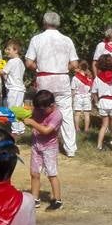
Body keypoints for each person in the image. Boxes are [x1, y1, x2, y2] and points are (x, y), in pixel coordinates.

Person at [24, 11, 79, 157]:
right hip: (62, 79)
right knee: (66, 113)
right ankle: (70, 148)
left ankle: (41, 142)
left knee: (42, 111)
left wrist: (39, 68)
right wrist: (62, 69)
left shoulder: (37, 39)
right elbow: (74, 63)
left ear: (44, 22)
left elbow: (28, 62)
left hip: (44, 79)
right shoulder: (67, 40)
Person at [27, 90, 63, 210]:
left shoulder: (57, 115)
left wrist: (32, 123)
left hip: (50, 148)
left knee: (51, 174)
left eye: (43, 110)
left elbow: (46, 130)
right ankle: (35, 199)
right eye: (38, 109)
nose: (40, 112)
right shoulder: (38, 109)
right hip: (36, 145)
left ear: (52, 105)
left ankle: (57, 200)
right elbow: (32, 118)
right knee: (34, 173)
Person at [2, 40, 27, 135]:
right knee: (19, 109)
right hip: (20, 89)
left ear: (15, 50)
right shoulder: (20, 62)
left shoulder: (11, 62)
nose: (6, 51)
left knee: (12, 109)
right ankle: (21, 128)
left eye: (9, 49)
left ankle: (15, 130)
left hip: (13, 89)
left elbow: (3, 72)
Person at [71, 67, 94, 136]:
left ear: (79, 68)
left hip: (78, 97)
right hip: (87, 97)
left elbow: (73, 89)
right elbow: (92, 89)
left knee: (77, 114)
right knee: (87, 114)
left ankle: (77, 128)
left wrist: (72, 98)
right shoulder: (89, 77)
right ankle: (86, 129)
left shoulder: (75, 78)